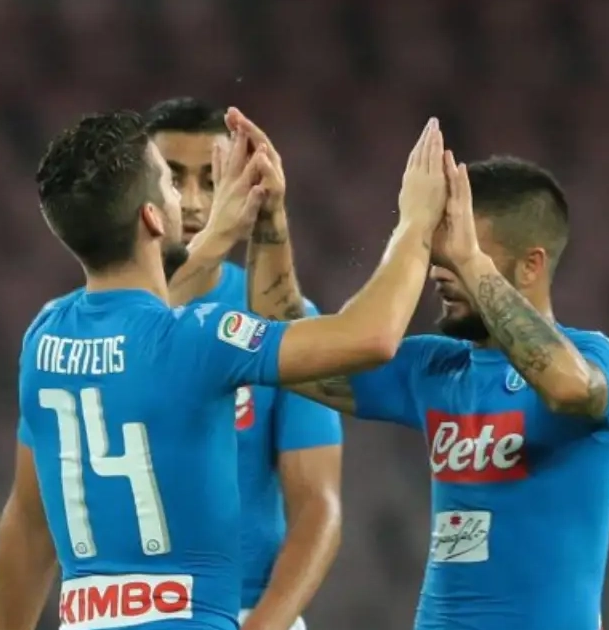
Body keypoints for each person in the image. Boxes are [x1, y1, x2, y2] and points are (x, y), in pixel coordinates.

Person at [0, 111, 453, 630]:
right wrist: (416, 223)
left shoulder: (45, 336)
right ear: (152, 217)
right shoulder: (202, 337)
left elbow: (144, 313)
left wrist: (219, 233)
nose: (187, 202)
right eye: (170, 183)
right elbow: (373, 337)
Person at [289, 155, 609, 630]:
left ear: (531, 265)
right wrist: (270, 227)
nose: (439, 271)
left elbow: (567, 389)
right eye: (440, 254)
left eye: (461, 252)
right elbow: (291, 358)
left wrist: (471, 262)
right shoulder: (435, 367)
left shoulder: (593, 356)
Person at [143, 97, 341, 630]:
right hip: (125, 610)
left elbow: (318, 507)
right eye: (172, 179)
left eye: (213, 181)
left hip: (246, 611)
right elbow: (31, 516)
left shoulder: (280, 322)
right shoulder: (87, 326)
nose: (191, 202)